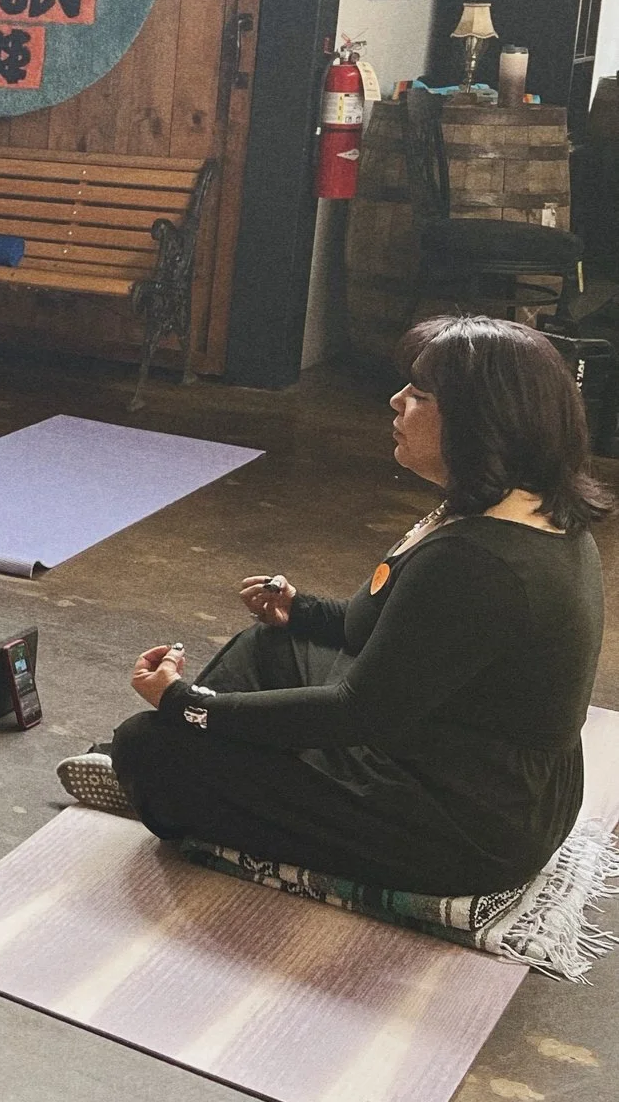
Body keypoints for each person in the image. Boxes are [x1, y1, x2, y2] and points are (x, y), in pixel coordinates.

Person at [62, 315, 608, 897]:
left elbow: (357, 712)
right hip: (460, 759)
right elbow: (377, 630)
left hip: (468, 825)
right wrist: (300, 611)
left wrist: (187, 706)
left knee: (149, 746)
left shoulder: (482, 563)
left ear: (480, 425)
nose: (396, 402)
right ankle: (198, 768)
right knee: (271, 645)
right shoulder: (510, 508)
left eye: (419, 396)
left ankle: (169, 773)